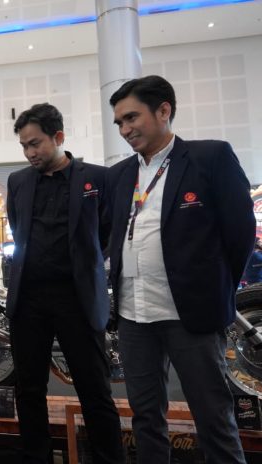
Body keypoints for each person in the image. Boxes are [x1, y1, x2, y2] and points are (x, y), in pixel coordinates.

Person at [106, 75, 254, 464]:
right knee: (145, 418)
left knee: (213, 416)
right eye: (119, 122)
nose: (124, 129)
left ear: (163, 111)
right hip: (133, 316)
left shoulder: (210, 158)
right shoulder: (120, 175)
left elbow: (240, 234)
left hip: (190, 315)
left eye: (131, 117)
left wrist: (216, 289)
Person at [5, 104, 124, 464]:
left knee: (94, 389)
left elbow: (108, 233)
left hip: (77, 297)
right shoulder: (18, 181)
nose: (29, 153)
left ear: (58, 137)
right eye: (24, 146)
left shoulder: (99, 178)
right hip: (29, 299)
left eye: (35, 144)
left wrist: (84, 262)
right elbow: (18, 227)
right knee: (28, 389)